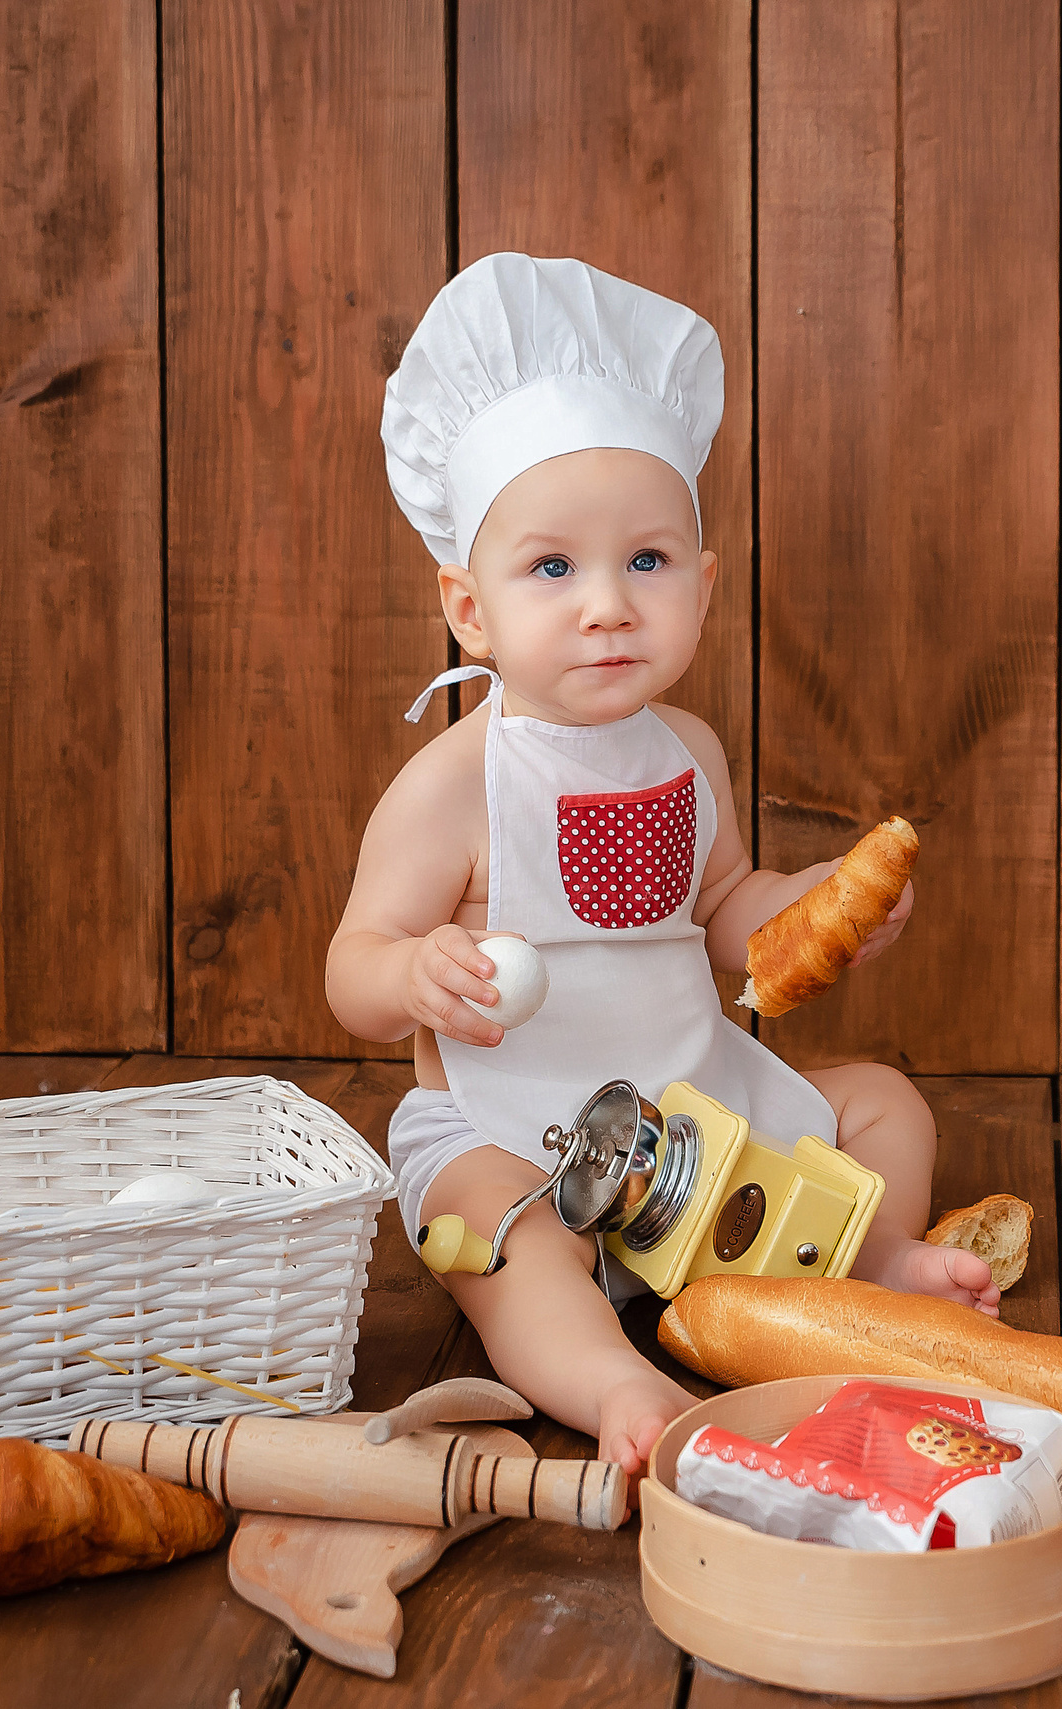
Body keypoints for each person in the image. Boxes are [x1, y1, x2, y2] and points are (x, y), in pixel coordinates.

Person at [325, 254, 996, 1475]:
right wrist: (412, 971)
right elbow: (351, 966)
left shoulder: (687, 751)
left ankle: (876, 1264)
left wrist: (811, 908)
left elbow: (723, 916)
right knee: (495, 1231)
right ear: (468, 609)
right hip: (513, 1124)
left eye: (647, 561)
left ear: (703, 584)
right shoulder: (455, 781)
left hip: (689, 1107)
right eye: (551, 568)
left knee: (886, 1103)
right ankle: (614, 1383)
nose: (606, 606)